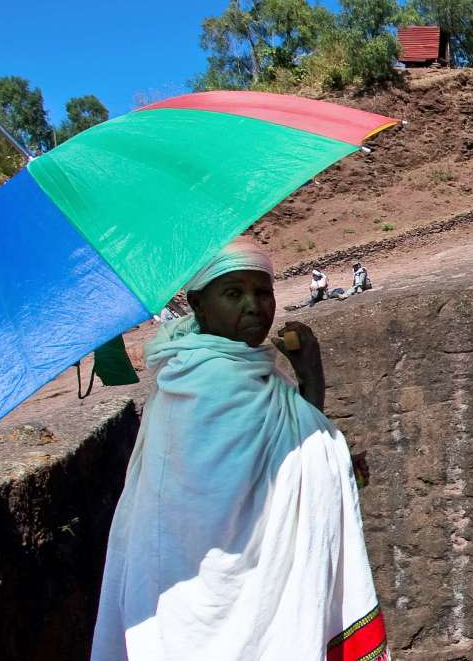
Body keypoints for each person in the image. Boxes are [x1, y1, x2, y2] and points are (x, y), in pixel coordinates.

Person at [92, 240, 384, 661]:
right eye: (234, 294)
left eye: (262, 292)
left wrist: (328, 454)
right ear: (198, 306)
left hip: (205, 586)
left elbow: (284, 462)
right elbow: (275, 477)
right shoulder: (210, 383)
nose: (254, 307)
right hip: (208, 588)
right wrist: (312, 379)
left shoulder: (210, 368)